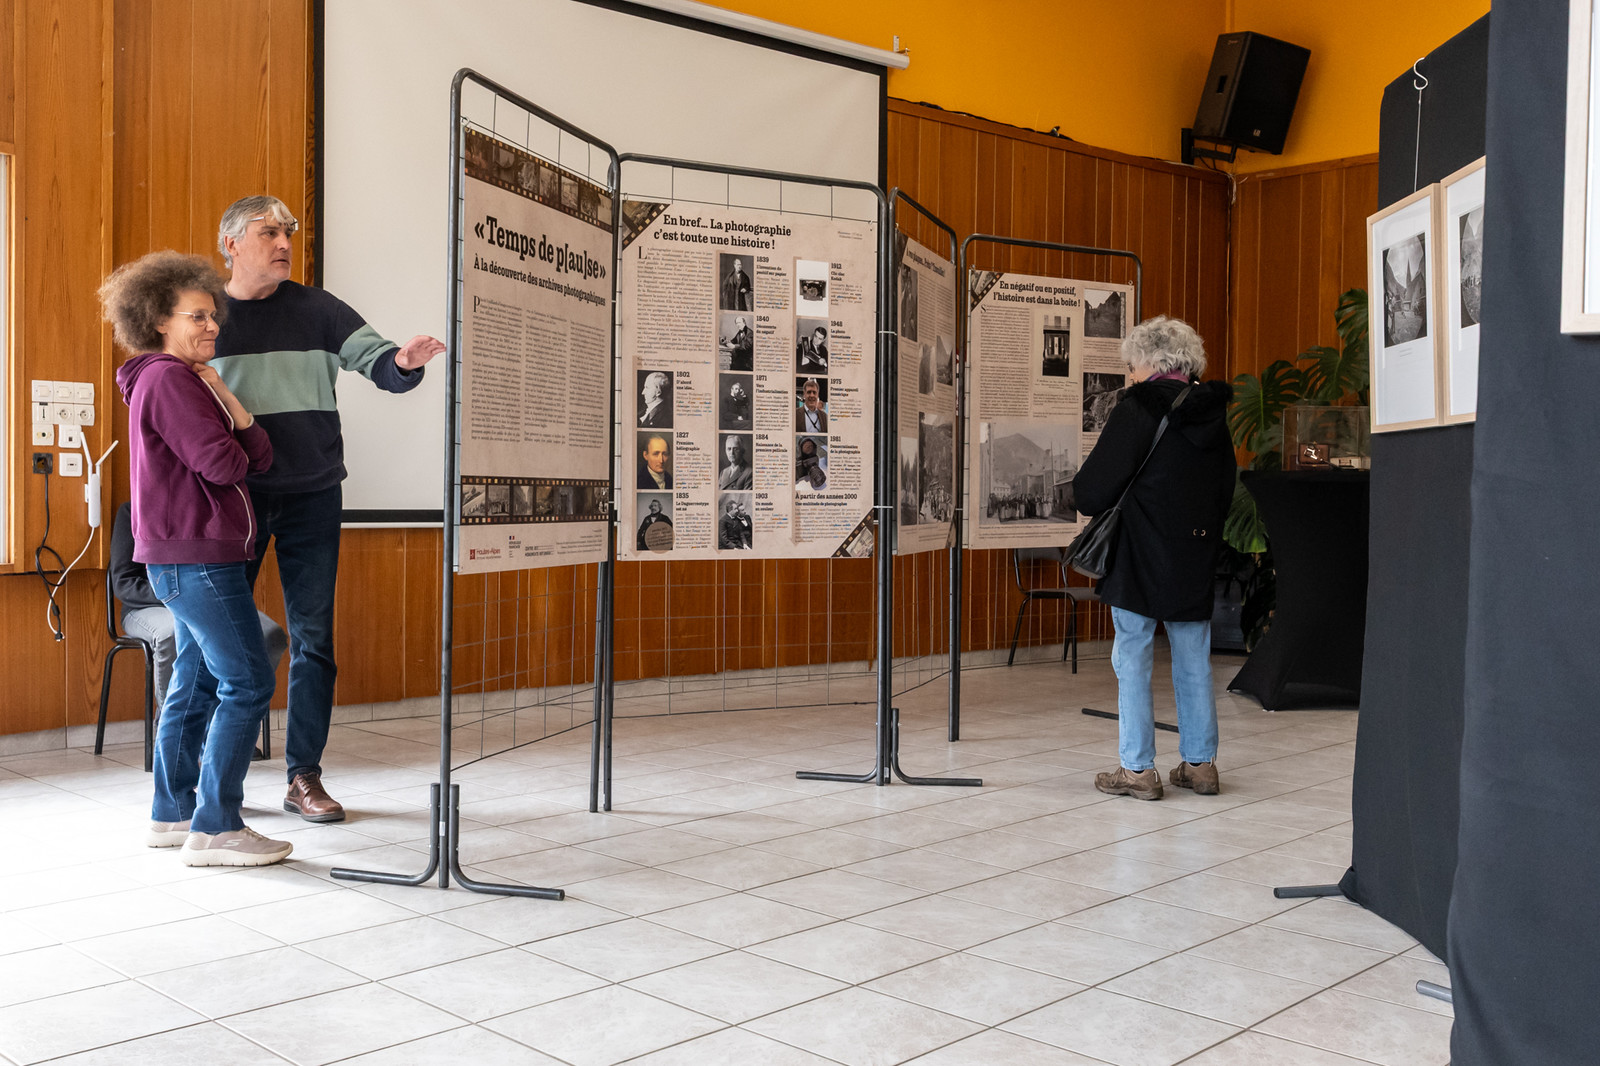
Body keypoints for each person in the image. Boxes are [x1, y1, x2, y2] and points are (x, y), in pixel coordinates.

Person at [211, 195, 445, 824]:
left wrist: (404, 363)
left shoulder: (317, 308)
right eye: (269, 232)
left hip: (314, 493)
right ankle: (217, 784)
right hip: (237, 495)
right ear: (231, 244)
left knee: (314, 640)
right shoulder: (206, 314)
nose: (284, 241)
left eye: (288, 232)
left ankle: (303, 777)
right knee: (224, 639)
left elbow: (381, 362)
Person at [102, 251, 290, 866]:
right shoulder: (166, 379)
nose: (213, 327)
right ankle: (216, 825)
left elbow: (256, 455)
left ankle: (173, 811)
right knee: (248, 679)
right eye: (199, 317)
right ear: (158, 318)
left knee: (196, 680)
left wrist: (229, 400)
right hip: (196, 557)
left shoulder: (185, 379)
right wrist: (230, 425)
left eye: (215, 317)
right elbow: (227, 464)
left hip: (192, 556)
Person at [1072, 316, 1234, 800]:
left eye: (1131, 365)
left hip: (1139, 549)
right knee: (1192, 657)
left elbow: (1092, 490)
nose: (1129, 375)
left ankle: (1139, 770)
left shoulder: (1137, 409)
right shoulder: (1213, 413)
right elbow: (1225, 486)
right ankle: (1201, 765)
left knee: (1134, 656)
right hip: (1195, 548)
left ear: (1149, 362)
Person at [111, 502, 289, 730]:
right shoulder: (132, 511)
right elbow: (124, 583)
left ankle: (228, 726)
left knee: (269, 633)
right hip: (145, 607)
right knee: (172, 633)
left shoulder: (208, 509)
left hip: (205, 599)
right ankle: (172, 726)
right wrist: (178, 593)